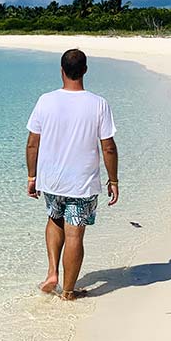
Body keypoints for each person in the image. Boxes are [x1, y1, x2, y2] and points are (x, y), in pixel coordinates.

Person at [25, 49, 119, 300]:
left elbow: (33, 143)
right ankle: (68, 291)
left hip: (52, 180)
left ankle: (52, 272)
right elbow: (108, 146)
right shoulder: (98, 103)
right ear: (85, 70)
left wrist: (32, 177)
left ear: (61, 70)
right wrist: (114, 180)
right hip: (82, 183)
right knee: (74, 233)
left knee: (54, 220)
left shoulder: (45, 100)